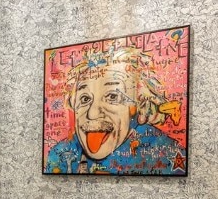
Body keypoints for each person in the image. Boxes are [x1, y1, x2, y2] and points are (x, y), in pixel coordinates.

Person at [45, 46, 187, 175]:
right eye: (84, 99)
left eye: (112, 96)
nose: (92, 114)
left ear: (141, 107)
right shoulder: (59, 157)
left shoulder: (167, 153)